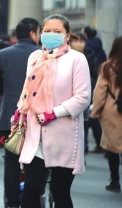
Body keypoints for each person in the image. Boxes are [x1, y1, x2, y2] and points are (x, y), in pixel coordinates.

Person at [13, 14, 91, 208]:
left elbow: (83, 97)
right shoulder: (35, 57)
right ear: (40, 33)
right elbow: (27, 90)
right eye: (47, 31)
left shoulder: (77, 59)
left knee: (60, 191)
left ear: (67, 36)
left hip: (63, 135)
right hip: (35, 132)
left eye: (57, 31)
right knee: (31, 188)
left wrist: (54, 113)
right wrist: (19, 112)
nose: (51, 35)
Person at [0, 17, 41, 208]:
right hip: (36, 117)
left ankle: (11, 202)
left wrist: (11, 96)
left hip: (10, 116)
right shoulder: (41, 55)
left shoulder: (3, 54)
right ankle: (31, 200)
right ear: (32, 33)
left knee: (11, 162)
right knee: (36, 162)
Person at [90, 36, 122, 193]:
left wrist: (94, 112)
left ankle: (115, 181)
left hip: (113, 111)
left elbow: (100, 94)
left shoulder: (107, 67)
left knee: (112, 147)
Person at [68, 31, 101, 154]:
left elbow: (96, 75)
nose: (78, 43)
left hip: (86, 94)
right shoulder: (66, 55)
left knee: (84, 122)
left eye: (80, 40)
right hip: (71, 95)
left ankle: (82, 149)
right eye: (75, 40)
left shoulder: (90, 56)